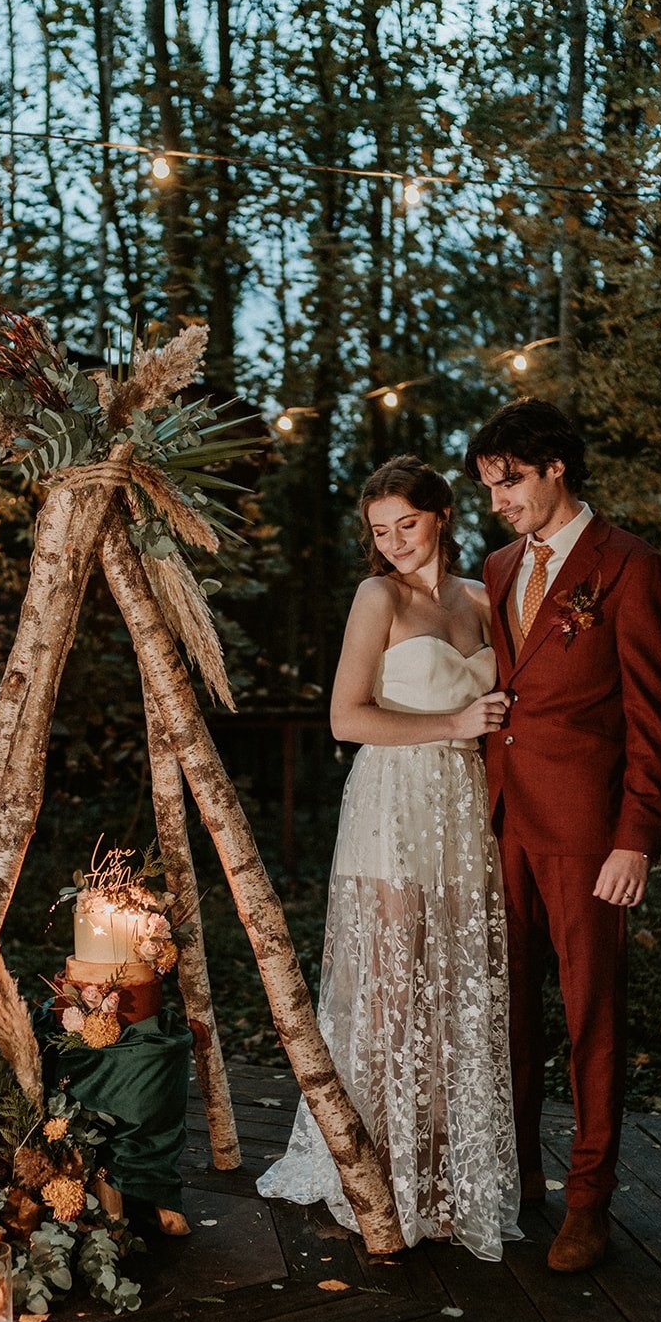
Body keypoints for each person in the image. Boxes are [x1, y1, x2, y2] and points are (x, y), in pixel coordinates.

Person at [258, 455, 522, 1261]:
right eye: (380, 530)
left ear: (440, 513)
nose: (395, 541)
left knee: (457, 984)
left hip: (462, 808)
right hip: (391, 802)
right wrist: (453, 725)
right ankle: (371, 1168)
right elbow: (345, 717)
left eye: (406, 523)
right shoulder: (376, 597)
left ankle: (444, 1166)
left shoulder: (484, 598)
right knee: (391, 988)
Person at [466, 398, 661, 1273]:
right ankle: (518, 1179)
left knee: (591, 1014)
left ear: (555, 467)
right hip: (502, 821)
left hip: (590, 834)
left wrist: (635, 836)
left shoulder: (627, 564)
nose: (497, 502)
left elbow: (653, 718)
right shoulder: (497, 564)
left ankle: (586, 1202)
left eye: (508, 482)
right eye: (487, 487)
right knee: (507, 1009)